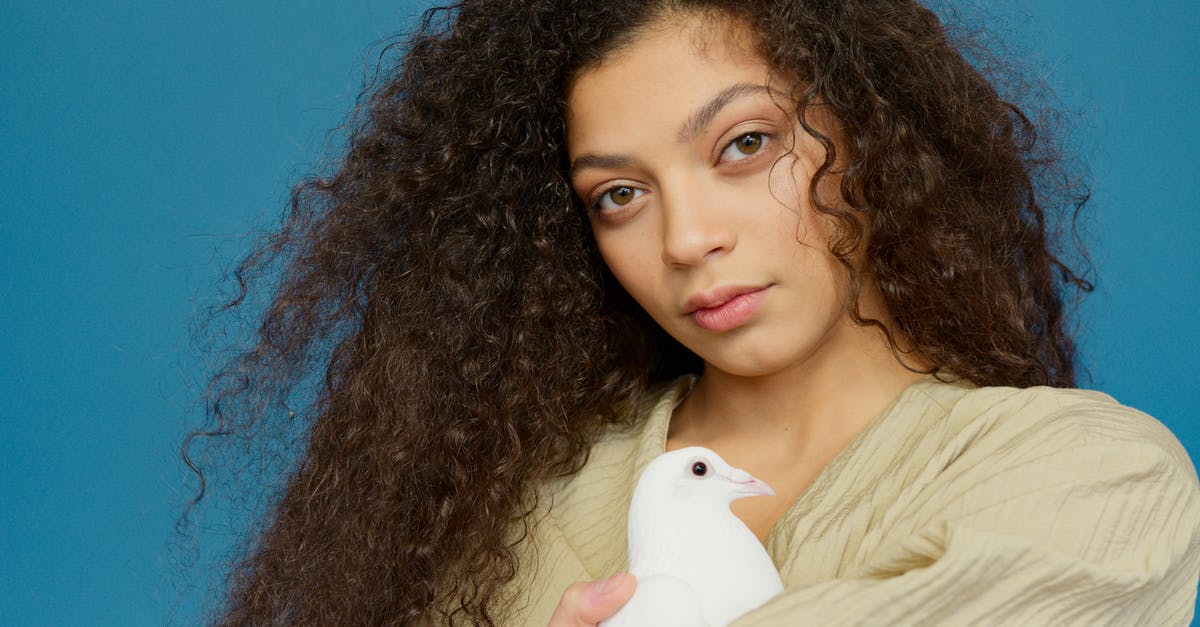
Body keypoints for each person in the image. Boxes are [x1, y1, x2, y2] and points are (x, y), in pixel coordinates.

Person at [188, 0, 1200, 625]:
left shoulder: (1092, 480)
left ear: (876, 134)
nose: (684, 238)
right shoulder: (507, 514)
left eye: (743, 145)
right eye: (618, 196)